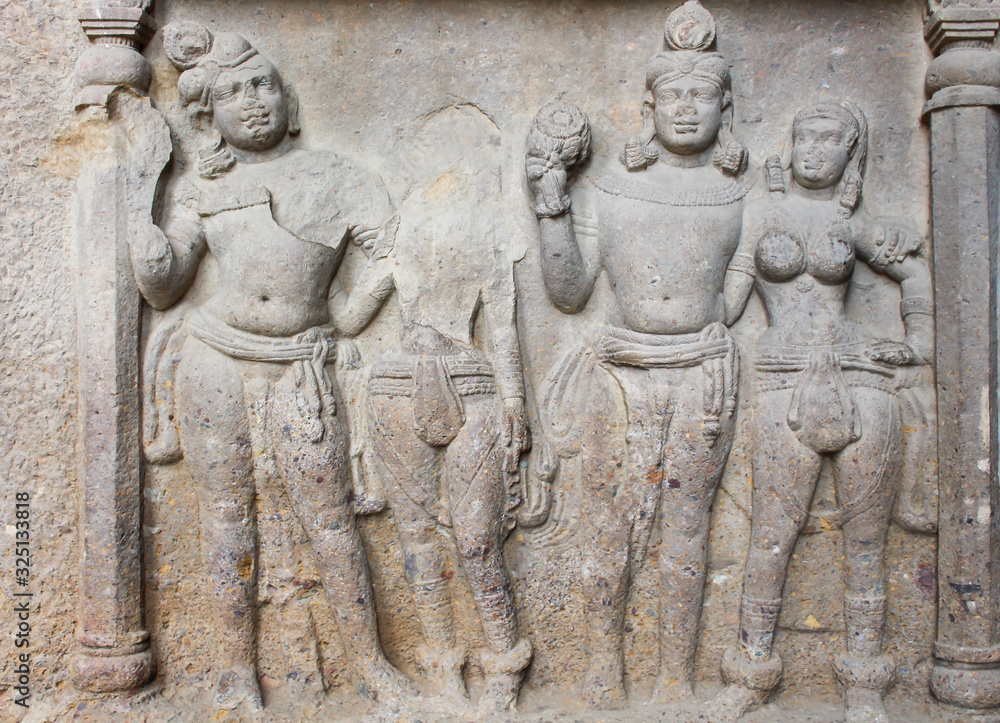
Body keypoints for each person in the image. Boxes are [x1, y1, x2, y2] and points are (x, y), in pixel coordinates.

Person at [133, 21, 410, 710]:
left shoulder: (337, 177)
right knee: (228, 518)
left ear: (286, 98)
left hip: (299, 365)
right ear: (211, 113)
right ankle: (234, 674)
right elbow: (164, 284)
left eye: (263, 86)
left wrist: (349, 315)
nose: (253, 101)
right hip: (215, 357)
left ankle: (372, 666)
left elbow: (393, 253)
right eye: (234, 93)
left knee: (331, 519)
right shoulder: (205, 186)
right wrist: (141, 202)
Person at [524, 0, 751, 708]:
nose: (687, 110)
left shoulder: (741, 190)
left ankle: (676, 674)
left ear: (726, 107)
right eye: (673, 96)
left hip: (702, 373)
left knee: (687, 526)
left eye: (703, 97)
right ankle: (601, 663)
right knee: (610, 521)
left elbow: (737, 298)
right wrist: (551, 211)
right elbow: (567, 292)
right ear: (647, 104)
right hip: (620, 371)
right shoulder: (609, 187)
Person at [712, 101, 932, 723]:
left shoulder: (853, 223)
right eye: (804, 136)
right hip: (783, 372)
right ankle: (752, 673)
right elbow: (727, 306)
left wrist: (919, 345)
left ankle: (864, 683)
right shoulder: (761, 210)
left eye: (828, 138)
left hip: (860, 375)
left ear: (850, 152)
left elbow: (915, 278)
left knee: (866, 543)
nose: (813, 148)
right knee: (771, 538)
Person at [361, 105, 534, 715]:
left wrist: (515, 402)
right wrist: (372, 255)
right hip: (395, 387)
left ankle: (503, 660)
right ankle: (440, 662)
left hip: (474, 384)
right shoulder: (396, 238)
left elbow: (505, 330)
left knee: (477, 539)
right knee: (414, 537)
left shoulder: (490, 238)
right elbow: (355, 316)